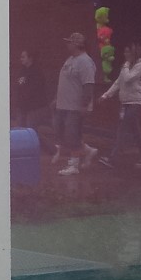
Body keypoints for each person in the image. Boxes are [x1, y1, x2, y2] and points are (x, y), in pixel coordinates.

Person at [50, 31, 98, 175]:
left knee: (71, 135)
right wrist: (57, 98)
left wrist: (84, 104)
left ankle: (73, 165)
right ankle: (88, 151)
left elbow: (88, 85)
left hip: (74, 107)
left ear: (77, 44)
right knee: (63, 133)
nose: (67, 44)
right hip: (63, 105)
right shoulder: (70, 59)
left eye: (69, 42)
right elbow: (65, 81)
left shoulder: (85, 62)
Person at [98, 43, 141, 168]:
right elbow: (118, 82)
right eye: (125, 52)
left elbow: (128, 78)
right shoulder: (126, 67)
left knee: (122, 130)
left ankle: (112, 159)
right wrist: (106, 95)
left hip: (134, 103)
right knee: (136, 133)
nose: (125, 54)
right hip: (125, 103)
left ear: (134, 53)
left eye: (128, 52)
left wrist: (126, 65)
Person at [12, 49, 47, 128]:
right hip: (22, 106)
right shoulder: (22, 71)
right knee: (20, 129)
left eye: (23, 57)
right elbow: (19, 84)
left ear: (30, 58)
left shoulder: (37, 72)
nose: (21, 59)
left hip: (33, 108)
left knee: (30, 128)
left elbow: (35, 89)